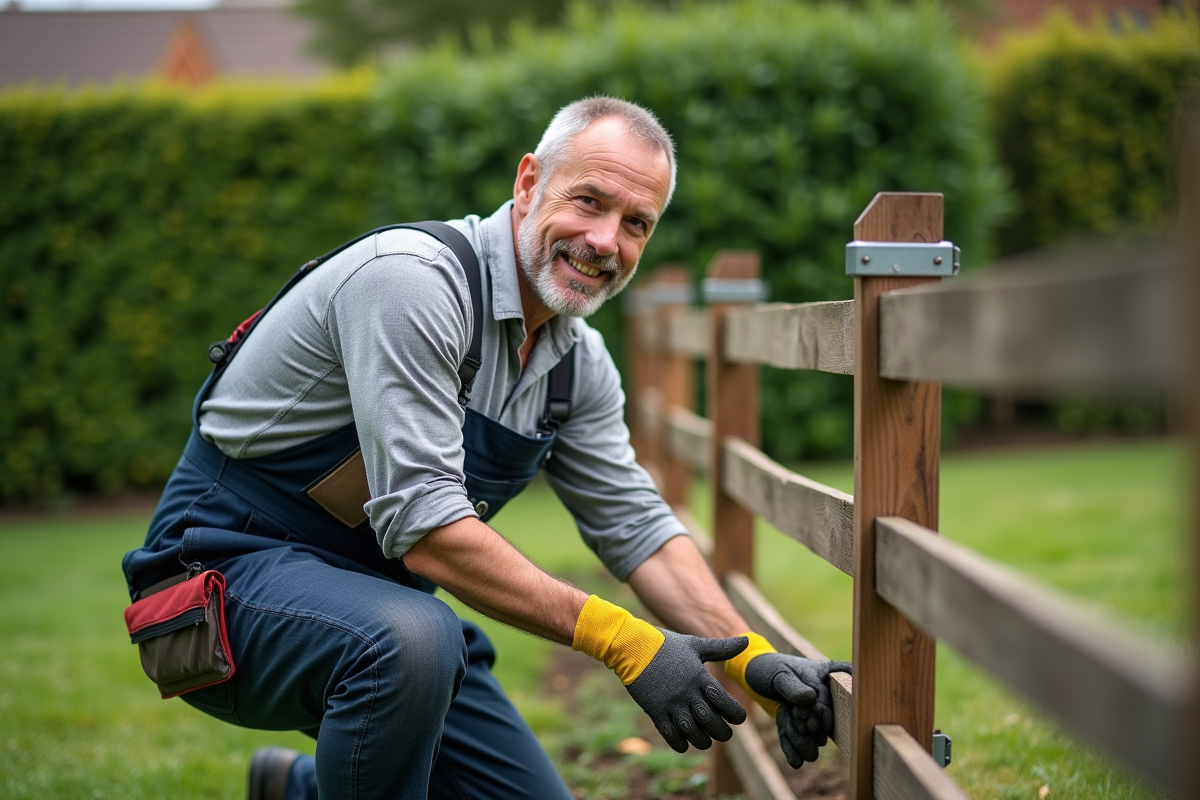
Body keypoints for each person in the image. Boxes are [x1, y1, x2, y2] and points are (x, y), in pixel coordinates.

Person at [122, 96, 850, 800]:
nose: (606, 241)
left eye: (637, 222)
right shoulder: (410, 282)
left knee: (423, 654)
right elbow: (430, 534)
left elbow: (638, 528)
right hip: (221, 584)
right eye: (590, 201)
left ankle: (300, 789)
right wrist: (625, 640)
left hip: (380, 610)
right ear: (528, 181)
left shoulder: (576, 366)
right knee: (412, 639)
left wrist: (751, 658)